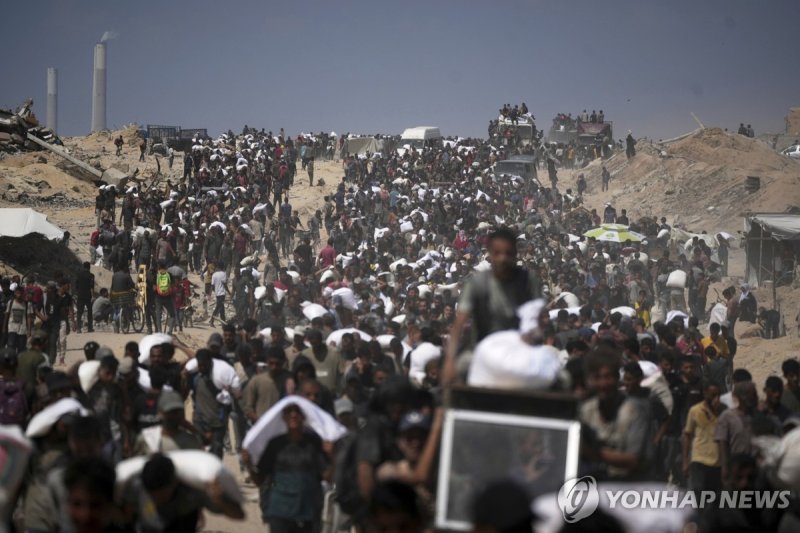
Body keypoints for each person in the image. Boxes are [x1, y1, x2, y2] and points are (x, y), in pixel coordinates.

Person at [444, 228, 541, 383]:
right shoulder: (477, 283)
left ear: (516, 254)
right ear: (489, 254)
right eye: (497, 253)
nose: (503, 258)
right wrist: (450, 361)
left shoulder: (528, 281)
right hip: (482, 350)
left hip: (520, 350)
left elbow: (537, 320)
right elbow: (459, 324)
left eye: (508, 253)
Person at [242, 403, 331, 533]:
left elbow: (327, 476)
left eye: (297, 411)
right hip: (281, 512)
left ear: (303, 416)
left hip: (309, 512)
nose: (293, 415)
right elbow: (260, 480)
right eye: (289, 412)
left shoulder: (314, 442)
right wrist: (249, 464)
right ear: (283, 417)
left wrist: (332, 456)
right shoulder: (275, 444)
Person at [121, 453, 244, 530]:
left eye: (161, 496)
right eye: (152, 496)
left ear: (174, 482)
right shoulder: (136, 490)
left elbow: (239, 515)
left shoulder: (192, 492)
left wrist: (221, 500)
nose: (157, 501)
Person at [682, 381, 724, 493]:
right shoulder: (695, 410)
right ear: (705, 394)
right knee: (699, 494)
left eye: (718, 395)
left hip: (718, 462)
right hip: (699, 459)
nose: (717, 399)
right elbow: (687, 435)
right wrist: (685, 461)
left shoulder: (723, 411)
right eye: (713, 395)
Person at [74, 261, 95, 333]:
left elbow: (76, 285)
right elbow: (91, 287)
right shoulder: (91, 275)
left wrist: (78, 293)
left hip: (80, 295)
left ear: (83, 267)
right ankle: (89, 328)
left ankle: (78, 328)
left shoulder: (79, 274)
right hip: (88, 295)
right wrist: (92, 296)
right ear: (89, 267)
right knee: (89, 311)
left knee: (79, 311)